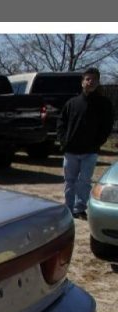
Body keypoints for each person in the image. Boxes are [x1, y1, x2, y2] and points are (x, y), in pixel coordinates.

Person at [57, 67, 115, 219]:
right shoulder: (72, 103)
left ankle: (79, 209)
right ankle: (68, 208)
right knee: (70, 182)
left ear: (98, 82)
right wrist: (64, 141)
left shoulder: (104, 104)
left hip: (90, 151)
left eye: (94, 79)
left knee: (84, 182)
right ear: (82, 82)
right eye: (88, 79)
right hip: (71, 151)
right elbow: (61, 123)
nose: (91, 82)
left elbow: (107, 126)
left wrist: (98, 142)